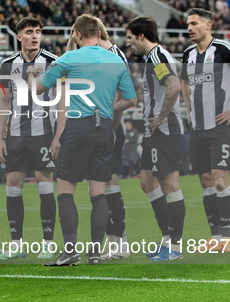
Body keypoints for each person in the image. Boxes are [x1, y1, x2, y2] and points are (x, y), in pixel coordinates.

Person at [35, 14, 137, 266]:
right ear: (100, 34)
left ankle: (70, 251)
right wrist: (109, 112)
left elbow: (39, 89)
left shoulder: (69, 58)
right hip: (103, 128)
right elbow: (131, 100)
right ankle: (94, 253)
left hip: (77, 127)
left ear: (77, 34)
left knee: (66, 188)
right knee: (98, 192)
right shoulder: (115, 60)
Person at [180, 8, 230, 252]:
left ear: (208, 25)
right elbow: (184, 82)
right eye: (187, 24)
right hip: (198, 128)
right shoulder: (188, 54)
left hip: (220, 127)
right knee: (205, 181)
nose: (189, 28)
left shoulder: (224, 49)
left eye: (194, 23)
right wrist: (189, 109)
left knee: (219, 180)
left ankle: (226, 237)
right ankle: (215, 237)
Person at [67, 17, 132, 260]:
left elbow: (120, 94)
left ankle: (120, 242)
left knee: (107, 185)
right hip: (96, 127)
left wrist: (113, 129)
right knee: (98, 187)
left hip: (108, 126)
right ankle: (114, 241)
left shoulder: (112, 54)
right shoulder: (90, 54)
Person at [0, 16, 58, 260]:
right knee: (13, 186)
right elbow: (3, 99)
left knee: (44, 184)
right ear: (19, 36)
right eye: (29, 31)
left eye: (38, 31)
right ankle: (16, 245)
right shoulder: (7, 64)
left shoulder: (53, 62)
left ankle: (48, 243)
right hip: (16, 135)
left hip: (43, 133)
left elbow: (61, 99)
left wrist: (59, 135)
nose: (34, 36)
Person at [126, 16, 186, 261]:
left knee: (169, 185)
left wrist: (160, 117)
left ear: (142, 36)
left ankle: (176, 247)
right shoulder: (154, 57)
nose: (128, 43)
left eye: (130, 38)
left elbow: (174, 86)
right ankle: (166, 240)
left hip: (166, 129)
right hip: (154, 131)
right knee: (147, 183)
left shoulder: (157, 57)